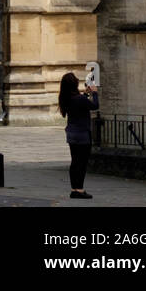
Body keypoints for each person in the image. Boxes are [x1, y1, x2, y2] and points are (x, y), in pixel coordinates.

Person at [58, 71, 99, 199]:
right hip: (82, 134)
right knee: (82, 163)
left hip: (71, 133)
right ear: (74, 84)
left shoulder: (66, 98)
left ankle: (74, 188)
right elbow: (94, 106)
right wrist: (95, 92)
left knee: (75, 162)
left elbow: (80, 104)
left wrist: (86, 94)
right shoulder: (79, 99)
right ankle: (80, 190)